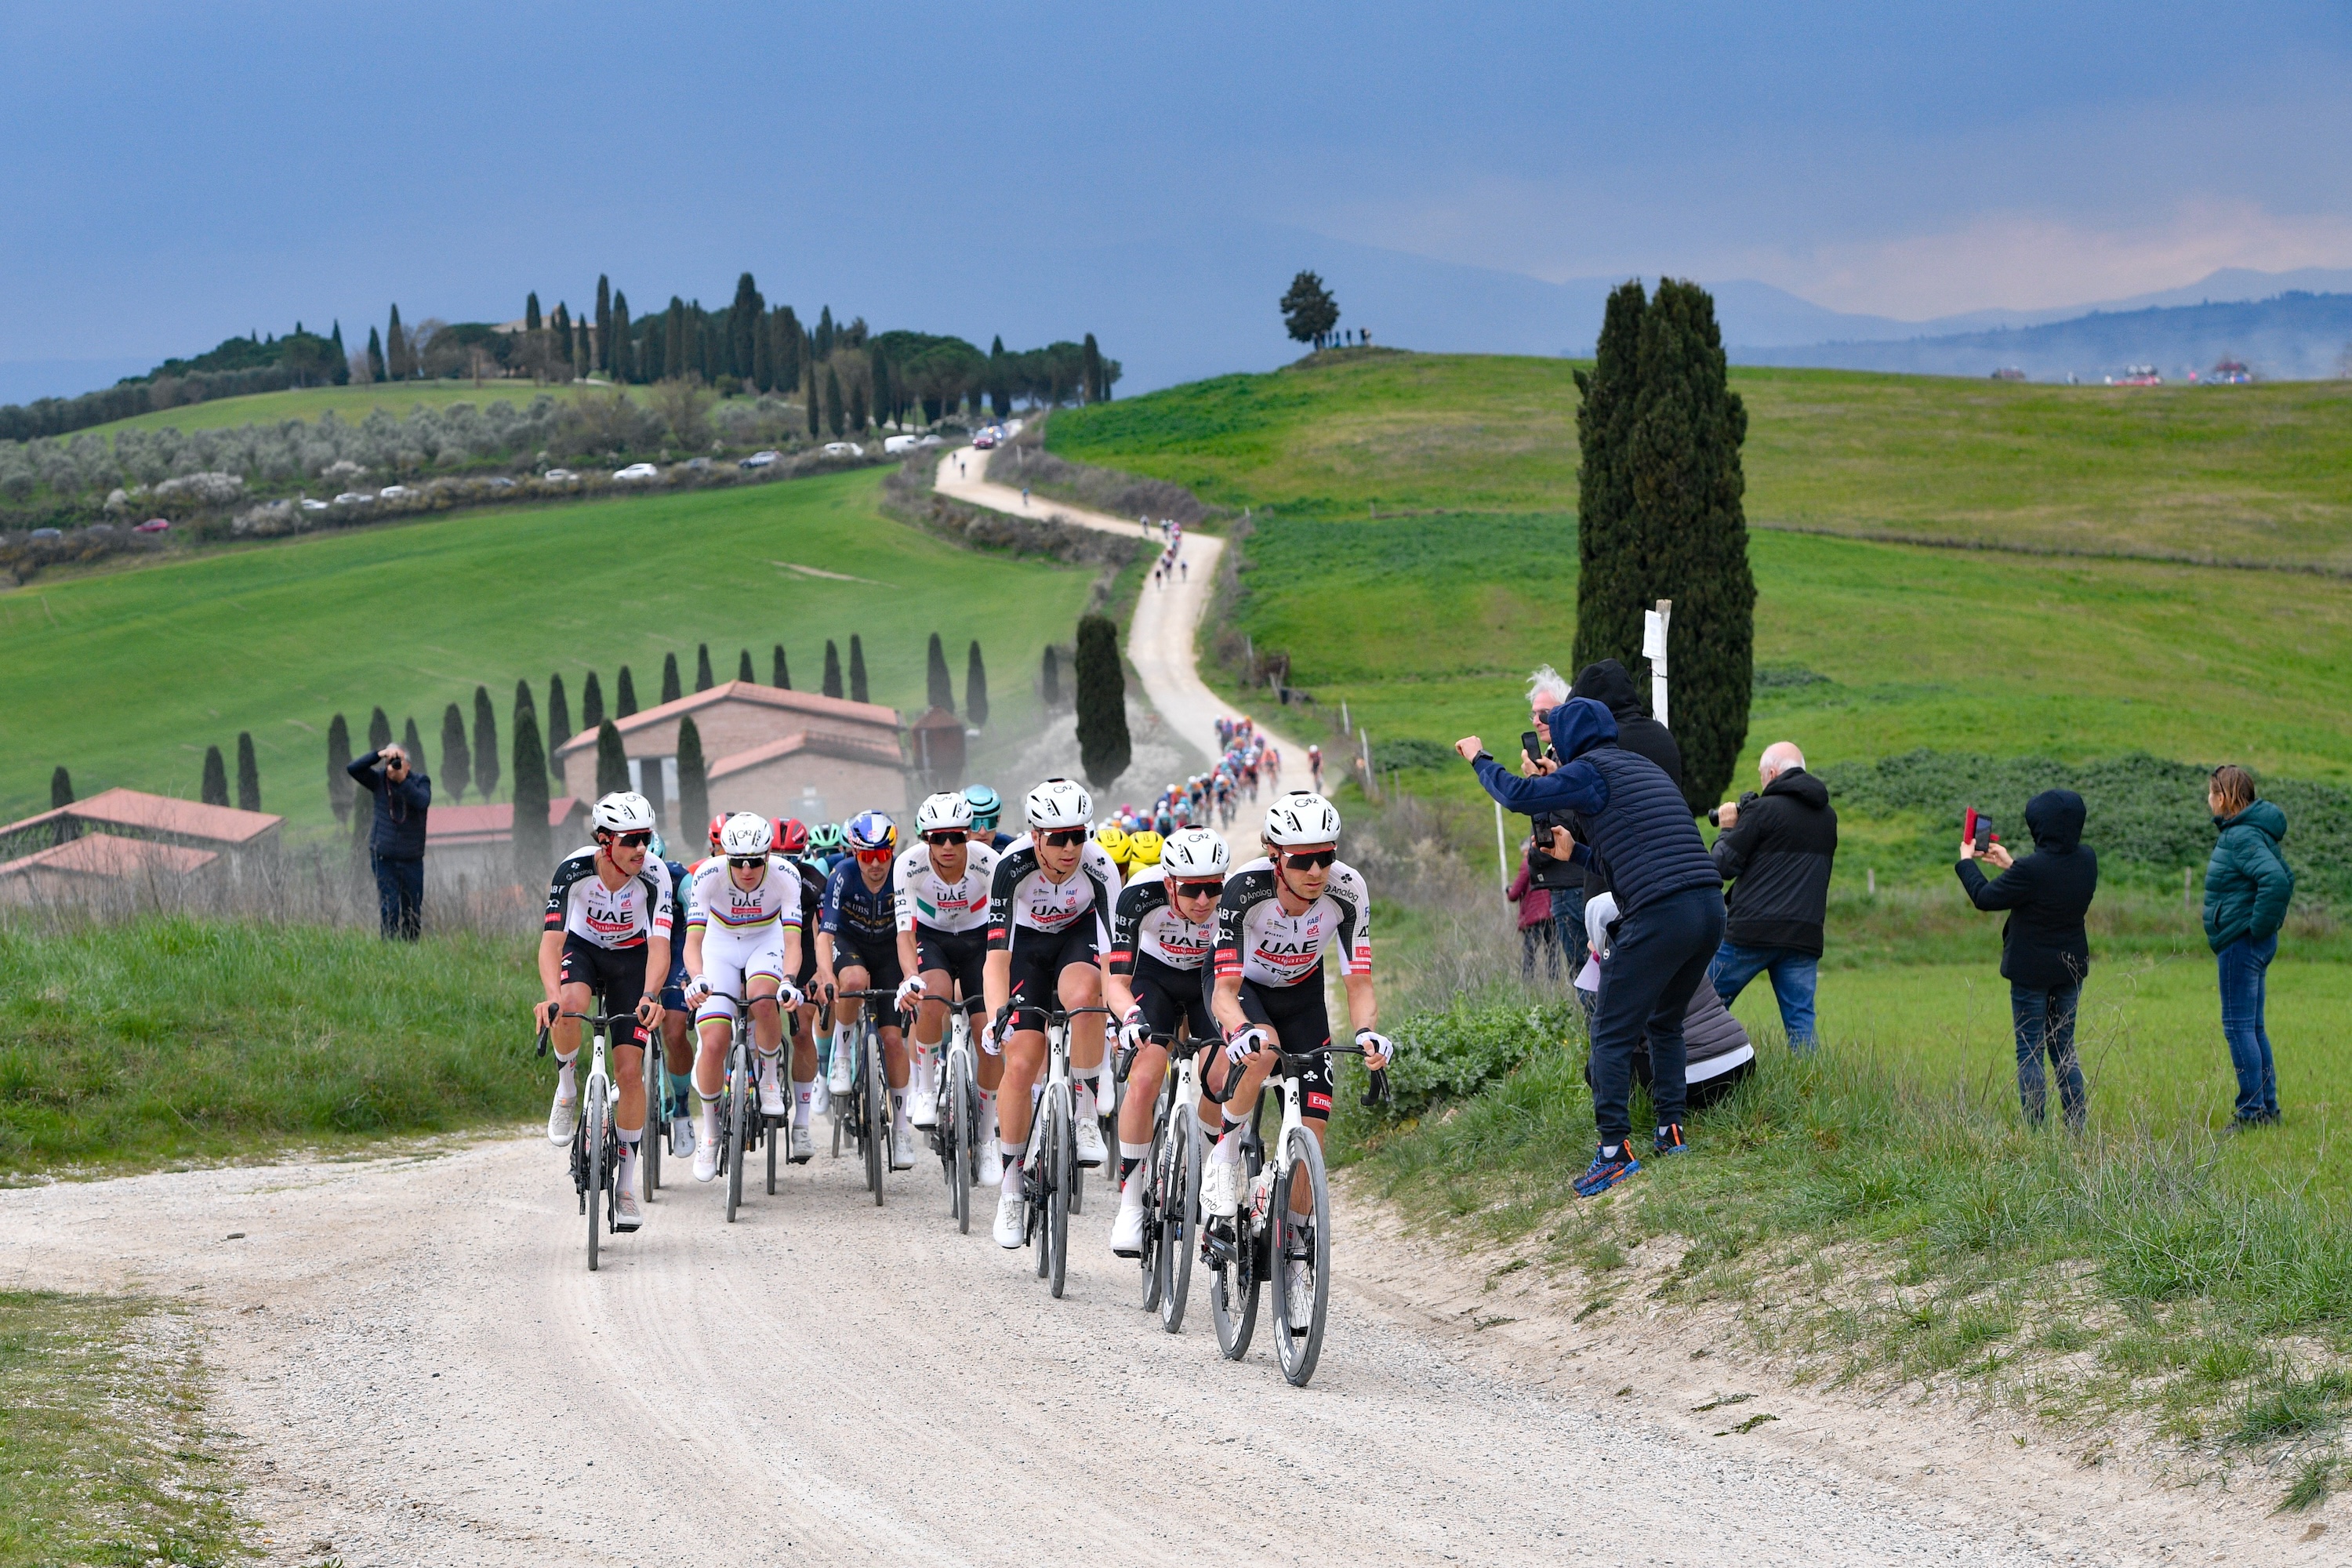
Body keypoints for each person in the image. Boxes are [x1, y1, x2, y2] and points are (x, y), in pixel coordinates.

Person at [1457, 696, 1723, 1198]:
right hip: (1708, 907)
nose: (1551, 742)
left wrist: (1479, 758)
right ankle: (1671, 1131)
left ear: (1573, 739)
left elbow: (1517, 795)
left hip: (1661, 912)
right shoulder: (1639, 769)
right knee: (1665, 1020)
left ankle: (1613, 1151)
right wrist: (1572, 851)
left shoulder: (1589, 772)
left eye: (1556, 735)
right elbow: (1628, 855)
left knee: (1610, 1029)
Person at [1202, 793, 1392, 1327]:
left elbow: (1358, 980)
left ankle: (1297, 1251)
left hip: (1304, 996)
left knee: (1316, 1122)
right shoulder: (1244, 889)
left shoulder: (1348, 890)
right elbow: (1223, 989)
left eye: (1325, 857)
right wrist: (1237, 1030)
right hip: (1244, 993)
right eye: (1301, 859)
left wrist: (1370, 1033)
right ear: (1272, 855)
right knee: (1260, 1047)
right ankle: (1226, 1153)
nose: (1316, 871)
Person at [981, 777, 1121, 1248]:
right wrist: (997, 1013)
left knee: (1086, 993)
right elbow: (996, 959)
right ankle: (1011, 1187)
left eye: (1078, 836)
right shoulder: (1010, 866)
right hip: (1026, 952)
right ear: (1035, 836)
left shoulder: (1099, 867)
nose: (1069, 848)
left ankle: (1084, 1112)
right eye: (1058, 838)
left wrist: (1121, 1009)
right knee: (1020, 1063)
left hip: (1077, 942)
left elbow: (1112, 962)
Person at [535, 792, 673, 1232]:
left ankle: (626, 1186)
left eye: (646, 839)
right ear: (604, 840)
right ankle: (567, 1088)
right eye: (631, 840)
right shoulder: (572, 871)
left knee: (630, 1072)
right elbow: (551, 943)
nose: (641, 850)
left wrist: (651, 995)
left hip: (632, 961)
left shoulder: (655, 875)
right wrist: (551, 994)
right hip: (584, 950)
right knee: (569, 1007)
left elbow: (660, 945)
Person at [1104, 825, 1228, 1257]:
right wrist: (1129, 1017)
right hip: (1152, 980)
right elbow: (1115, 981)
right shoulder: (1139, 894)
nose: (1203, 901)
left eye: (1213, 888)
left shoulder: (1230, 904)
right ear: (1169, 880)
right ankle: (1130, 1201)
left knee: (1221, 1072)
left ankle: (1205, 1167)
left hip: (1206, 983)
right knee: (1145, 1075)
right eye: (1192, 889)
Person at [1956, 789, 2098, 1132]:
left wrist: (1965, 862)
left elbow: (1985, 897)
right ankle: (2076, 1129)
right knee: (2064, 1049)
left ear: (2039, 827)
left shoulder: (2032, 871)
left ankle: (2036, 1131)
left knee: (2030, 1052)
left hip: (2030, 972)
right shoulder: (2087, 859)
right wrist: (2011, 864)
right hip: (2070, 968)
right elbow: (2047, 881)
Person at [680, 813, 805, 1181]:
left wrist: (790, 980)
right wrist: (697, 978)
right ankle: (711, 1132)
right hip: (719, 945)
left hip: (764, 941)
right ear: (726, 857)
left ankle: (768, 1078)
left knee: (764, 998)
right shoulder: (708, 875)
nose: (748, 869)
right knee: (715, 1040)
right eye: (739, 862)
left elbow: (793, 942)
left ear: (769, 855)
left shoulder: (785, 876)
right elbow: (693, 943)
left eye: (756, 861)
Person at [1706, 742, 1837, 1053]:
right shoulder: (1828, 818)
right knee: (1801, 1027)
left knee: (1701, 1005)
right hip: (1803, 935)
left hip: (1751, 932)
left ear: (1773, 773)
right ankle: (1810, 1092)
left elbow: (1721, 866)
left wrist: (1727, 829)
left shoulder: (1763, 811)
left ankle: (1702, 1074)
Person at [892, 792, 1001, 1160]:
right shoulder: (908, 865)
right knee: (931, 992)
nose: (949, 845)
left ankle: (987, 1138)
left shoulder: (989, 862)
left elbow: (1008, 929)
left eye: (957, 836)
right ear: (926, 839)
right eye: (939, 838)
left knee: (988, 1029)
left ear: (969, 834)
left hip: (980, 937)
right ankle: (924, 1087)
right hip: (931, 937)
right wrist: (910, 976)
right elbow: (905, 933)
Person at [818, 811, 918, 1169]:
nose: (875, 864)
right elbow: (826, 933)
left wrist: (911, 975)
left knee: (893, 1041)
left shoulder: (904, 873)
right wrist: (826, 973)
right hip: (851, 943)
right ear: (854, 854)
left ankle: (902, 1129)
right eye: (866, 856)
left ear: (892, 851)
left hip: (891, 948)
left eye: (882, 855)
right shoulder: (842, 875)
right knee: (855, 981)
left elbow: (911, 931)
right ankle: (841, 1056)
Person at [2201, 765, 2294, 1130]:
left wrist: (2257, 927)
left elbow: (2276, 881)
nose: (2208, 800)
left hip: (2241, 943)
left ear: (2223, 798)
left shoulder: (2241, 836)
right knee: (2252, 1026)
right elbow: (2286, 875)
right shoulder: (2252, 832)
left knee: (2239, 1027)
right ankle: (2267, 1109)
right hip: (2249, 941)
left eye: (2211, 794)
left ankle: (2251, 1113)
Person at [347, 741, 431, 939]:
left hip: (411, 858)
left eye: (397, 761)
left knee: (412, 908)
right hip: (383, 855)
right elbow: (353, 769)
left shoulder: (421, 781)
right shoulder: (379, 780)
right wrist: (379, 754)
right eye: (389, 762)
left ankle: (411, 948)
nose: (392, 766)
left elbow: (422, 801)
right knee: (389, 906)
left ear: (408, 765)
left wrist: (403, 781)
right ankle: (390, 949)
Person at [1505, 842, 1561, 981]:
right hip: (1552, 914)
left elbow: (1514, 895)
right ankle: (1555, 984)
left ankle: (1528, 984)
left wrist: (1509, 890)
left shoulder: (1527, 864)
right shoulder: (1551, 860)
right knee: (1553, 953)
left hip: (1533, 917)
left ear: (1526, 850)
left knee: (1530, 954)